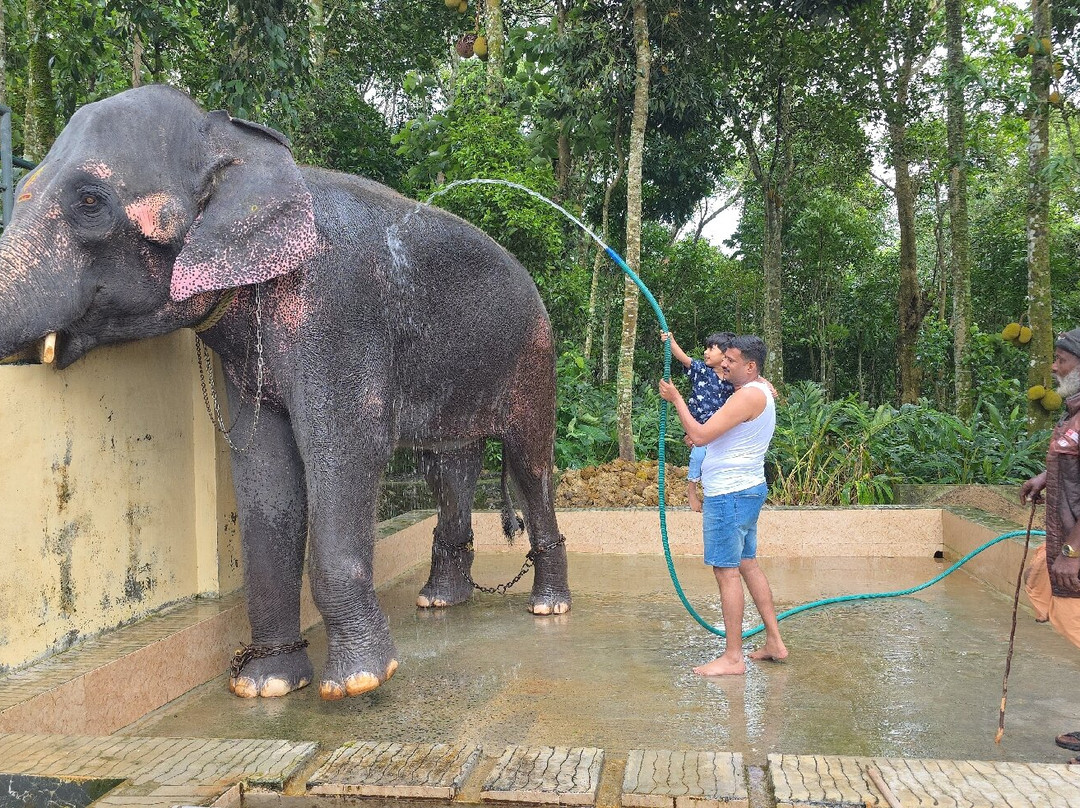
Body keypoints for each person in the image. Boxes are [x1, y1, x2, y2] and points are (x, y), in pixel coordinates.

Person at [659, 335, 788, 675]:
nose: (724, 363)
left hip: (729, 495)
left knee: (727, 571)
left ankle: (733, 658)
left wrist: (675, 399)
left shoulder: (746, 397)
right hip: (746, 490)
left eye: (731, 360)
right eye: (724, 357)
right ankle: (774, 641)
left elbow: (700, 435)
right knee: (748, 564)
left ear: (751, 366)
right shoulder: (755, 390)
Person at [1020, 326, 1080, 764]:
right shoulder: (1072, 413)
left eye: (1062, 360)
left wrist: (1072, 551)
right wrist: (1047, 478)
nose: (1054, 367)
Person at [660, 331, 735, 512]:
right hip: (698, 427)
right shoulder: (702, 370)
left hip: (719, 429)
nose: (706, 352)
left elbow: (752, 374)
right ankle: (691, 490)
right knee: (699, 456)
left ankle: (716, 494)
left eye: (711, 348)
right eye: (706, 348)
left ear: (726, 355)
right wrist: (671, 341)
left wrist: (767, 384)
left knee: (718, 462)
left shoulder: (733, 378)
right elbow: (684, 358)